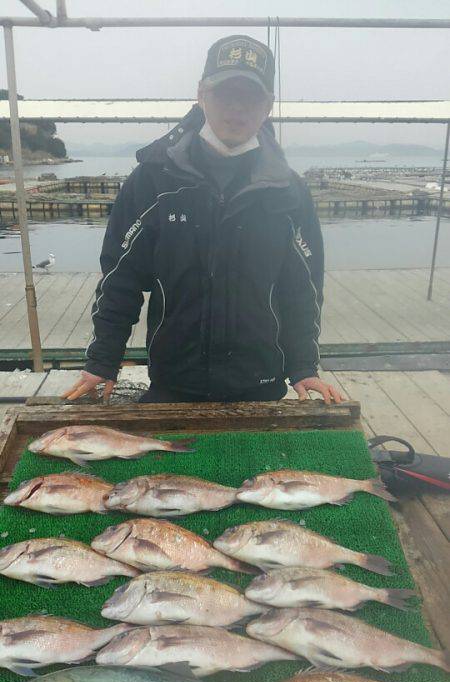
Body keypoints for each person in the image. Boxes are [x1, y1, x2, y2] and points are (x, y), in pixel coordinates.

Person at [63, 35, 343, 405]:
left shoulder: (288, 191)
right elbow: (121, 278)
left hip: (261, 384)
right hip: (173, 380)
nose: (237, 109)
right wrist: (103, 360)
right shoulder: (153, 179)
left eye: (251, 97)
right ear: (201, 95)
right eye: (225, 94)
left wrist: (304, 366)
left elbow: (303, 289)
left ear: (268, 106)